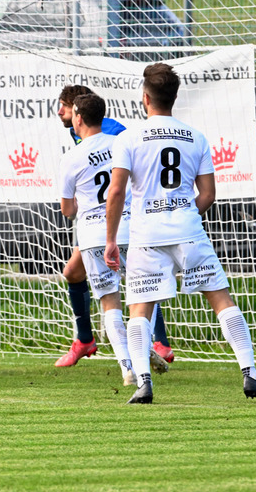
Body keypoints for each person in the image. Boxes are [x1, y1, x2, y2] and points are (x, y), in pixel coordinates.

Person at [104, 63, 256, 404]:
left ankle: (144, 382)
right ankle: (251, 375)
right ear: (174, 98)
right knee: (220, 299)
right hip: (188, 231)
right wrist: (183, 214)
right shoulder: (195, 137)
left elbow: (116, 191)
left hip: (146, 236)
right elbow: (209, 194)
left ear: (145, 98)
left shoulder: (128, 138)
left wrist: (112, 240)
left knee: (140, 309)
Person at [54, 84, 174, 369]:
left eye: (64, 106)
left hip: (116, 221)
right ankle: (86, 340)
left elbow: (129, 175)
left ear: (78, 114)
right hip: (105, 221)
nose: (60, 112)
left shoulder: (115, 135)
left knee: (130, 290)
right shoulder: (81, 136)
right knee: (73, 272)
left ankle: (156, 344)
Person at [57, 94, 136, 386]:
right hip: (129, 228)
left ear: (78, 118)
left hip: (92, 237)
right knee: (141, 296)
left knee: (109, 302)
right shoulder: (121, 144)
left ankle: (127, 368)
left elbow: (67, 210)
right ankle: (146, 351)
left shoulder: (71, 158)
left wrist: (84, 206)